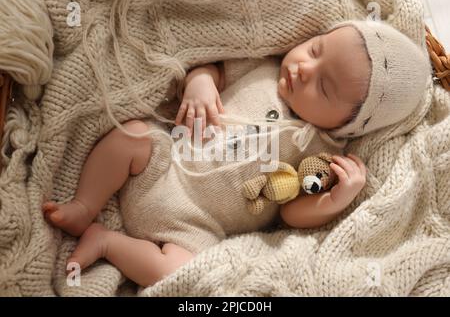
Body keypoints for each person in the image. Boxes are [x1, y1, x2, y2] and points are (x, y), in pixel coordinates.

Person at [42, 20, 430, 287]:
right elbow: (209, 66)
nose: (304, 69)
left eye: (325, 88)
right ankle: (85, 204)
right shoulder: (263, 67)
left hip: (197, 226)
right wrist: (200, 82)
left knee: (185, 273)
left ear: (347, 124)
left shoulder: (324, 153)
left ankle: (108, 242)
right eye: (315, 49)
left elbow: (294, 212)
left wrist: (334, 200)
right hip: (164, 163)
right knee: (131, 135)